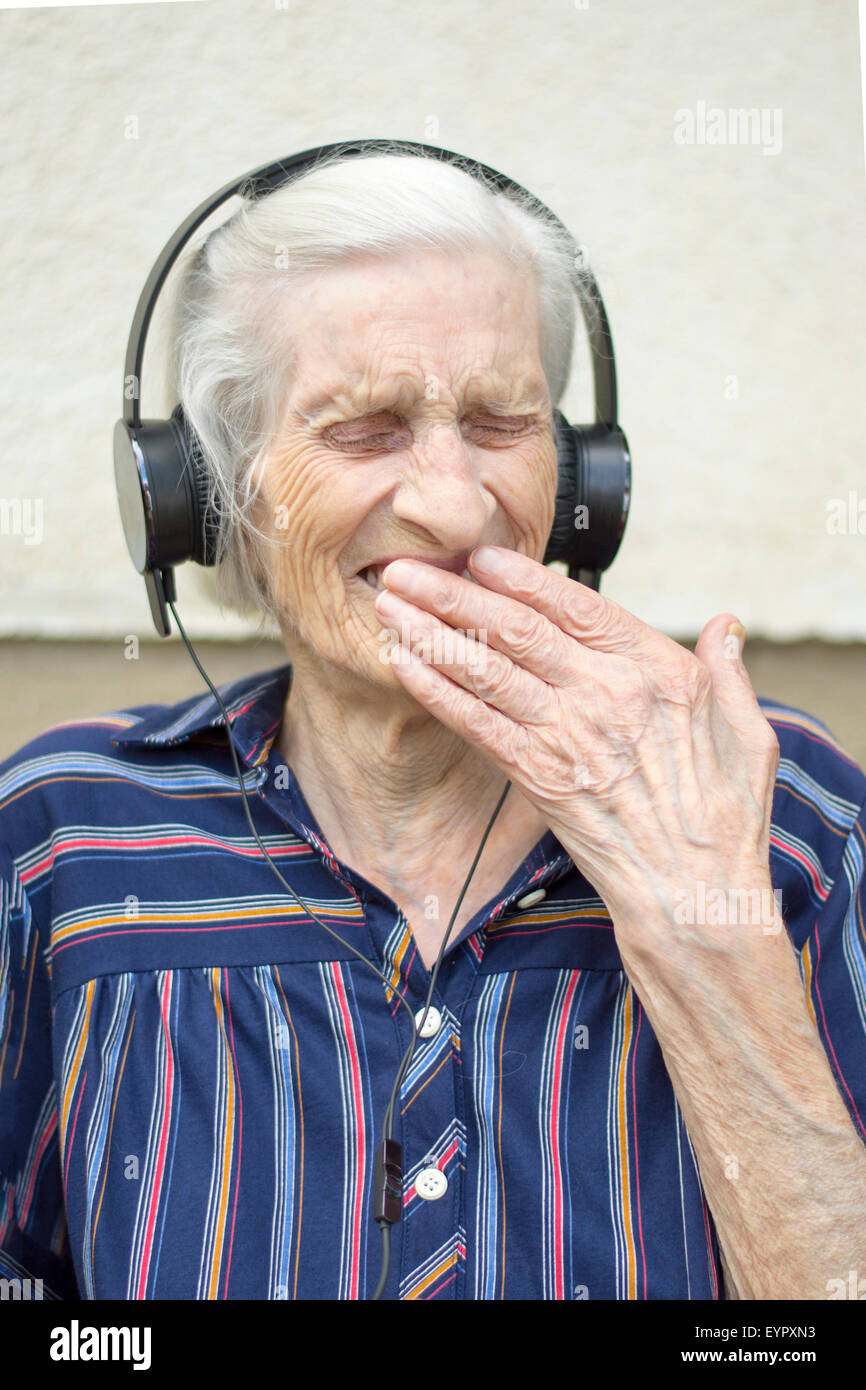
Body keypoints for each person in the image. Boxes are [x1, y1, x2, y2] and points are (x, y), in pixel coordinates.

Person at [1, 149, 865, 1301]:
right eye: (365, 429)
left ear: (581, 484)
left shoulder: (785, 817)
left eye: (500, 422)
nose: (455, 508)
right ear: (210, 497)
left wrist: (704, 933)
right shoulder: (61, 843)